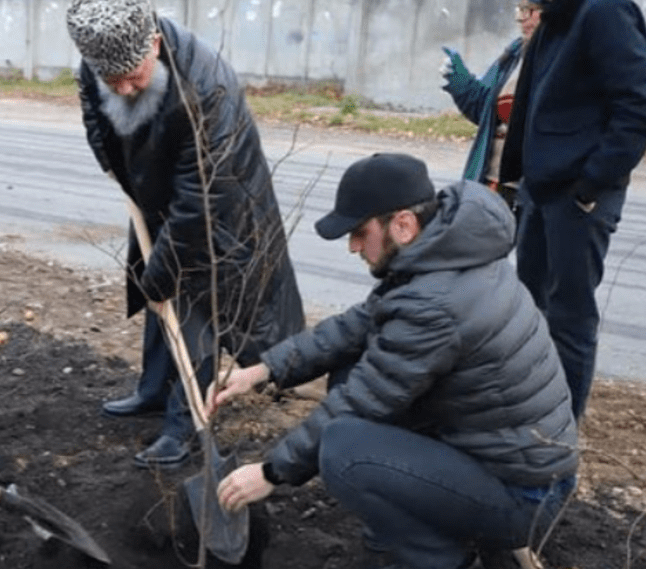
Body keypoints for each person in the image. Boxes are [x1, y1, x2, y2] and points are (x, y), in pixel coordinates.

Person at [210, 153, 578, 569]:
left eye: (358, 232)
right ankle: (412, 526)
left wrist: (271, 472)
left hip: (523, 499)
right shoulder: (446, 252)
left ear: (402, 225)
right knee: (349, 373)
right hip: (510, 463)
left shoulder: (436, 302)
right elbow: (359, 325)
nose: (352, 246)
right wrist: (265, 370)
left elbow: (363, 401)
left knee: (343, 449)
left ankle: (444, 558)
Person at [66, 0, 305, 469]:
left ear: (154, 42)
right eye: (115, 82)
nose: (126, 89)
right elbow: (95, 113)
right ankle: (153, 390)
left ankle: (185, 425)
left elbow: (201, 201)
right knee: (156, 290)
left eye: (134, 76)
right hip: (155, 192)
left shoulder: (207, 87)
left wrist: (164, 269)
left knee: (196, 303)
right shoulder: (101, 62)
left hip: (223, 207)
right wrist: (112, 166)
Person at [501, 0, 646, 420]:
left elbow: (638, 112)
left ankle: (560, 428)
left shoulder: (604, 9)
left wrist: (590, 186)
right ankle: (531, 408)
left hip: (576, 197)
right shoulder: (562, 12)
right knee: (530, 309)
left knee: (569, 318)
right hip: (542, 192)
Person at [440, 0, 544, 202]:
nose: (521, 19)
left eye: (530, 10)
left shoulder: (563, 62)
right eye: (519, 10)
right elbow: (483, 111)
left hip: (532, 190)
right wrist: (461, 82)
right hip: (493, 181)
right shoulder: (514, 54)